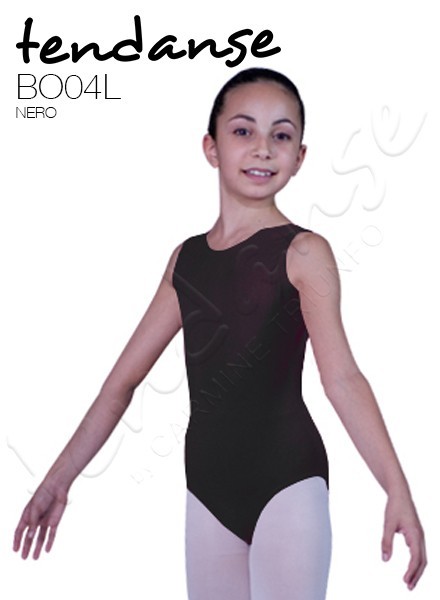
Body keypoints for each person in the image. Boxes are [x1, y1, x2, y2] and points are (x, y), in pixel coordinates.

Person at [13, 67, 427, 599]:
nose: (263, 148)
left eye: (281, 135)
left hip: (288, 483)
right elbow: (120, 384)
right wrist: (57, 479)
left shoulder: (304, 252)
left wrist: (396, 487)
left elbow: (342, 378)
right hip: (207, 492)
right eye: (243, 131)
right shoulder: (186, 261)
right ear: (211, 147)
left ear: (300, 157)